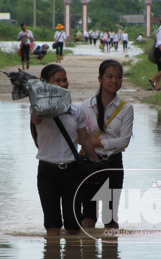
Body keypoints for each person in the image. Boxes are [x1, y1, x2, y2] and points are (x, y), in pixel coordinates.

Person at [31, 64, 99, 236]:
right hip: (47, 173)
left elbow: (84, 139)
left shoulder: (76, 110)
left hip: (72, 173)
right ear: (46, 83)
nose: (63, 84)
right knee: (52, 225)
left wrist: (97, 163)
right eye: (58, 80)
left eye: (65, 80)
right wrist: (41, 95)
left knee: (73, 224)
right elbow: (37, 120)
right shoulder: (38, 108)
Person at [80, 59, 134, 229]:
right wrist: (91, 144)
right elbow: (79, 136)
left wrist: (95, 142)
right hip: (89, 163)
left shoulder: (126, 108)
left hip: (113, 164)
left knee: (110, 218)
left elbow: (124, 142)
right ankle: (87, 253)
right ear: (100, 79)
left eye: (118, 77)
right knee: (88, 216)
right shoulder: (86, 106)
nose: (114, 81)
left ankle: (111, 254)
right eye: (109, 76)